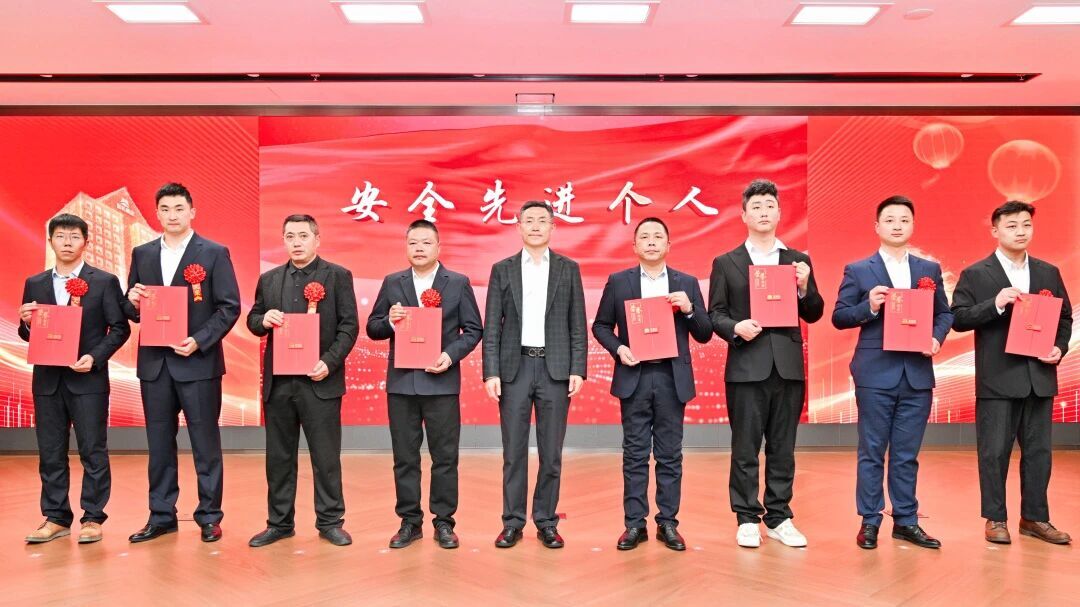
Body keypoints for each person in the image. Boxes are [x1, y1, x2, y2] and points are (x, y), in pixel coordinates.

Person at [708, 179, 824, 548]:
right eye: (756, 206)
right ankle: (746, 517)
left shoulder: (798, 260)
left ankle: (779, 517)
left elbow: (815, 312)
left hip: (787, 366)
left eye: (769, 206)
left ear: (779, 213)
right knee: (745, 447)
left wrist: (805, 288)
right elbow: (715, 314)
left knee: (783, 447)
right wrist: (735, 327)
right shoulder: (726, 262)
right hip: (746, 366)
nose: (763, 212)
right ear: (744, 215)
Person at [832, 195, 952, 550]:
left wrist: (936, 337)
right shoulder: (859, 270)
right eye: (890, 219)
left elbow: (945, 313)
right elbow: (840, 316)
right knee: (872, 450)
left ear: (913, 225)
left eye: (904, 219)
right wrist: (868, 306)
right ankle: (869, 521)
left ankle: (906, 521)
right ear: (877, 226)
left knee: (906, 454)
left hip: (916, 373)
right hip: (875, 374)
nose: (897, 225)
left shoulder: (928, 270)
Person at [123, 182, 240, 544]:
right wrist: (132, 301)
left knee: (206, 444)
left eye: (179, 208)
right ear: (157, 213)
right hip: (155, 365)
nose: (172, 215)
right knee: (159, 444)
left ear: (192, 212)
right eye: (165, 209)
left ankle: (209, 516)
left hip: (198, 363)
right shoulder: (142, 253)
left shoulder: (214, 253)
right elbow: (133, 309)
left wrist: (200, 340)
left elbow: (229, 307)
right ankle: (161, 516)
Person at [951, 201, 1072, 545]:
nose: (1020, 231)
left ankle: (1035, 518)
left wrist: (1059, 347)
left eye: (1026, 225)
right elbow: (958, 317)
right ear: (995, 230)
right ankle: (995, 518)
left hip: (1039, 377)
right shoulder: (977, 274)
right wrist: (996, 304)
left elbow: (1064, 317)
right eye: (1012, 226)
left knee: (1039, 453)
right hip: (998, 378)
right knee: (994, 453)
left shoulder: (1048, 272)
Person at [592, 217, 713, 551]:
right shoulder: (619, 282)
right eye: (644, 236)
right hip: (635, 376)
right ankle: (634, 524)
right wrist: (619, 349)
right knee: (634, 454)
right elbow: (601, 326)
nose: (651, 241)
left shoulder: (687, 283)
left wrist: (689, 309)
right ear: (634, 246)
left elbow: (704, 333)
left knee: (670, 454)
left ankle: (668, 523)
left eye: (658, 236)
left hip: (672, 379)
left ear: (668, 245)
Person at [366, 219, 482, 549]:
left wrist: (450, 355)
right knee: (405, 457)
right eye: (413, 243)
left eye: (426, 243)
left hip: (441, 383)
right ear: (406, 247)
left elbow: (474, 329)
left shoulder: (457, 283)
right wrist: (390, 322)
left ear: (438, 247)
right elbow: (373, 327)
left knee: (445, 457)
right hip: (402, 385)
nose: (419, 248)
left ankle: (444, 522)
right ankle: (409, 522)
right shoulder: (393, 282)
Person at [246, 214, 359, 547]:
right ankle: (279, 523)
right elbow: (253, 319)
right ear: (283, 240)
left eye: (303, 236)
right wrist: (263, 319)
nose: (296, 242)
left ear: (316, 239)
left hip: (320, 381)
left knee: (326, 457)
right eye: (290, 236)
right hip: (279, 383)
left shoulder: (337, 276)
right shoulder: (269, 279)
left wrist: (329, 362)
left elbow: (349, 327)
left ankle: (330, 522)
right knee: (279, 458)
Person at [19, 213, 131, 544]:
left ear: (86, 242)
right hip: (47, 381)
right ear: (50, 241)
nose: (67, 242)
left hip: (88, 381)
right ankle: (56, 517)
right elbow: (31, 335)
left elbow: (120, 328)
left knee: (93, 450)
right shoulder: (35, 283)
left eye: (74, 236)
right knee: (50, 452)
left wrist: (95, 357)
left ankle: (93, 517)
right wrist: (26, 323)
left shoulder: (104, 281)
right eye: (60, 236)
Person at [482, 201, 587, 549]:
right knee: (513, 452)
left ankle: (546, 521)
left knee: (551, 453)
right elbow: (492, 326)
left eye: (543, 220)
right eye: (529, 220)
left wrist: (578, 368)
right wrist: (491, 372)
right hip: (514, 369)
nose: (536, 226)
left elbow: (577, 322)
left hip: (555, 369)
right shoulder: (502, 269)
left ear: (553, 227)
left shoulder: (568, 269)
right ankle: (512, 522)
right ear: (519, 227)